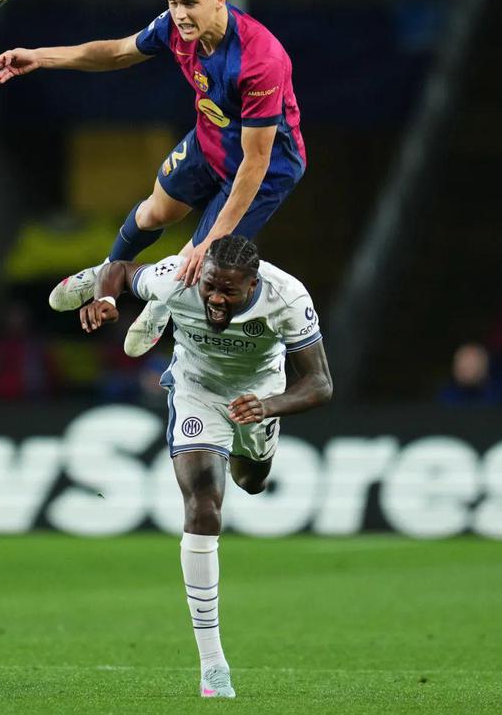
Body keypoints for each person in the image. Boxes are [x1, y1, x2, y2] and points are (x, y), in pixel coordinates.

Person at [0, 0, 308, 358]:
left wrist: (210, 241)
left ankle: (159, 304)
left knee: (196, 264)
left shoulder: (260, 61)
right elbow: (117, 52)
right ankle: (106, 275)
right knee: (155, 212)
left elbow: (255, 160)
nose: (180, 14)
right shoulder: (175, 27)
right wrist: (42, 57)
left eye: (189, 2)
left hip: (264, 169)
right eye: (172, 2)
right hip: (210, 138)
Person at [79, 235, 333, 698]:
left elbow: (320, 383)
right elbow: (119, 268)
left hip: (258, 394)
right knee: (203, 504)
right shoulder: (180, 275)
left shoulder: (287, 297)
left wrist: (269, 406)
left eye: (228, 292)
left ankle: (245, 450)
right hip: (196, 387)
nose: (215, 298)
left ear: (252, 284)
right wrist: (107, 299)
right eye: (210, 287)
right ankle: (213, 666)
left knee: (250, 480)